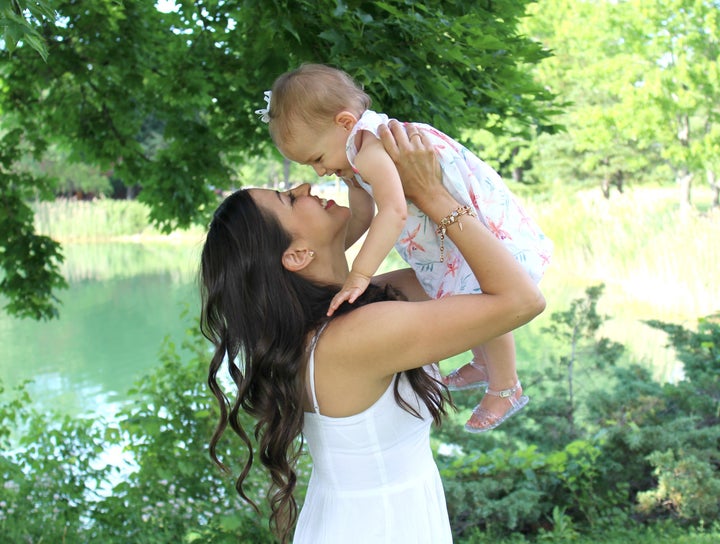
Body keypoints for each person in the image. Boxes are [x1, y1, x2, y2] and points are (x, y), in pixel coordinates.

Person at [199, 120, 545, 543]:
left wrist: (410, 180)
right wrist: (432, 194)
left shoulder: (354, 312)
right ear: (297, 255)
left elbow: (474, 274)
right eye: (290, 199)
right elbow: (521, 300)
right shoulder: (357, 335)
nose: (306, 187)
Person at [255, 63, 553, 433]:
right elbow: (362, 214)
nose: (318, 173)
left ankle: (505, 385)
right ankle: (483, 360)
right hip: (445, 225)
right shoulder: (354, 156)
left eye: (317, 158)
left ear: (345, 123)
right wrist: (325, 252)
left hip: (462, 211)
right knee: (462, 283)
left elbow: (393, 210)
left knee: (477, 286)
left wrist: (360, 275)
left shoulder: (369, 149)